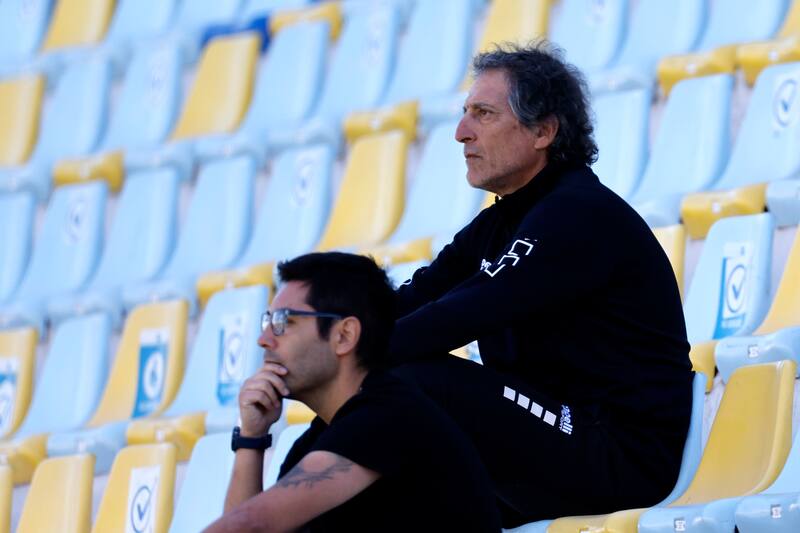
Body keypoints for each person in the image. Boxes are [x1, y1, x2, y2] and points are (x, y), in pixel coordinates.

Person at [388, 42, 694, 526]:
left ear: (543, 131)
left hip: (617, 454)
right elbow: (411, 301)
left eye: (482, 114)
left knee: (413, 379)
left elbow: (463, 314)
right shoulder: (500, 221)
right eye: (465, 114)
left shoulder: (577, 214)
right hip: (555, 444)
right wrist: (330, 330)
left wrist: (343, 354)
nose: (460, 133)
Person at [204, 252, 501, 533]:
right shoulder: (317, 443)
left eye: (283, 322)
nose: (263, 340)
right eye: (266, 322)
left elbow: (250, 525)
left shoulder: (387, 417)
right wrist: (251, 439)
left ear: (344, 336)